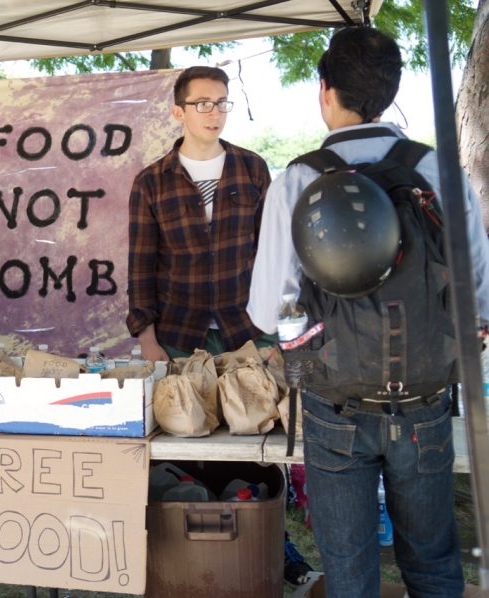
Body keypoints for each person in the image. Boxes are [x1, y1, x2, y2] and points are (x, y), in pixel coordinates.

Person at [248, 27, 489, 597]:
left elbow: (266, 309)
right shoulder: (440, 173)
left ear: (324, 90)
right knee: (432, 564)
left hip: (336, 404)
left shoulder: (299, 180)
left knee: (349, 570)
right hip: (426, 401)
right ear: (392, 89)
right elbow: (480, 294)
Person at [126, 65, 273, 361]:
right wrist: (148, 342)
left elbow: (270, 253)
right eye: (203, 104)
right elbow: (141, 268)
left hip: (248, 333)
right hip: (178, 337)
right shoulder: (151, 181)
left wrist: (272, 334)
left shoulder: (252, 168)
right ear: (178, 112)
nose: (215, 113)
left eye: (222, 103)